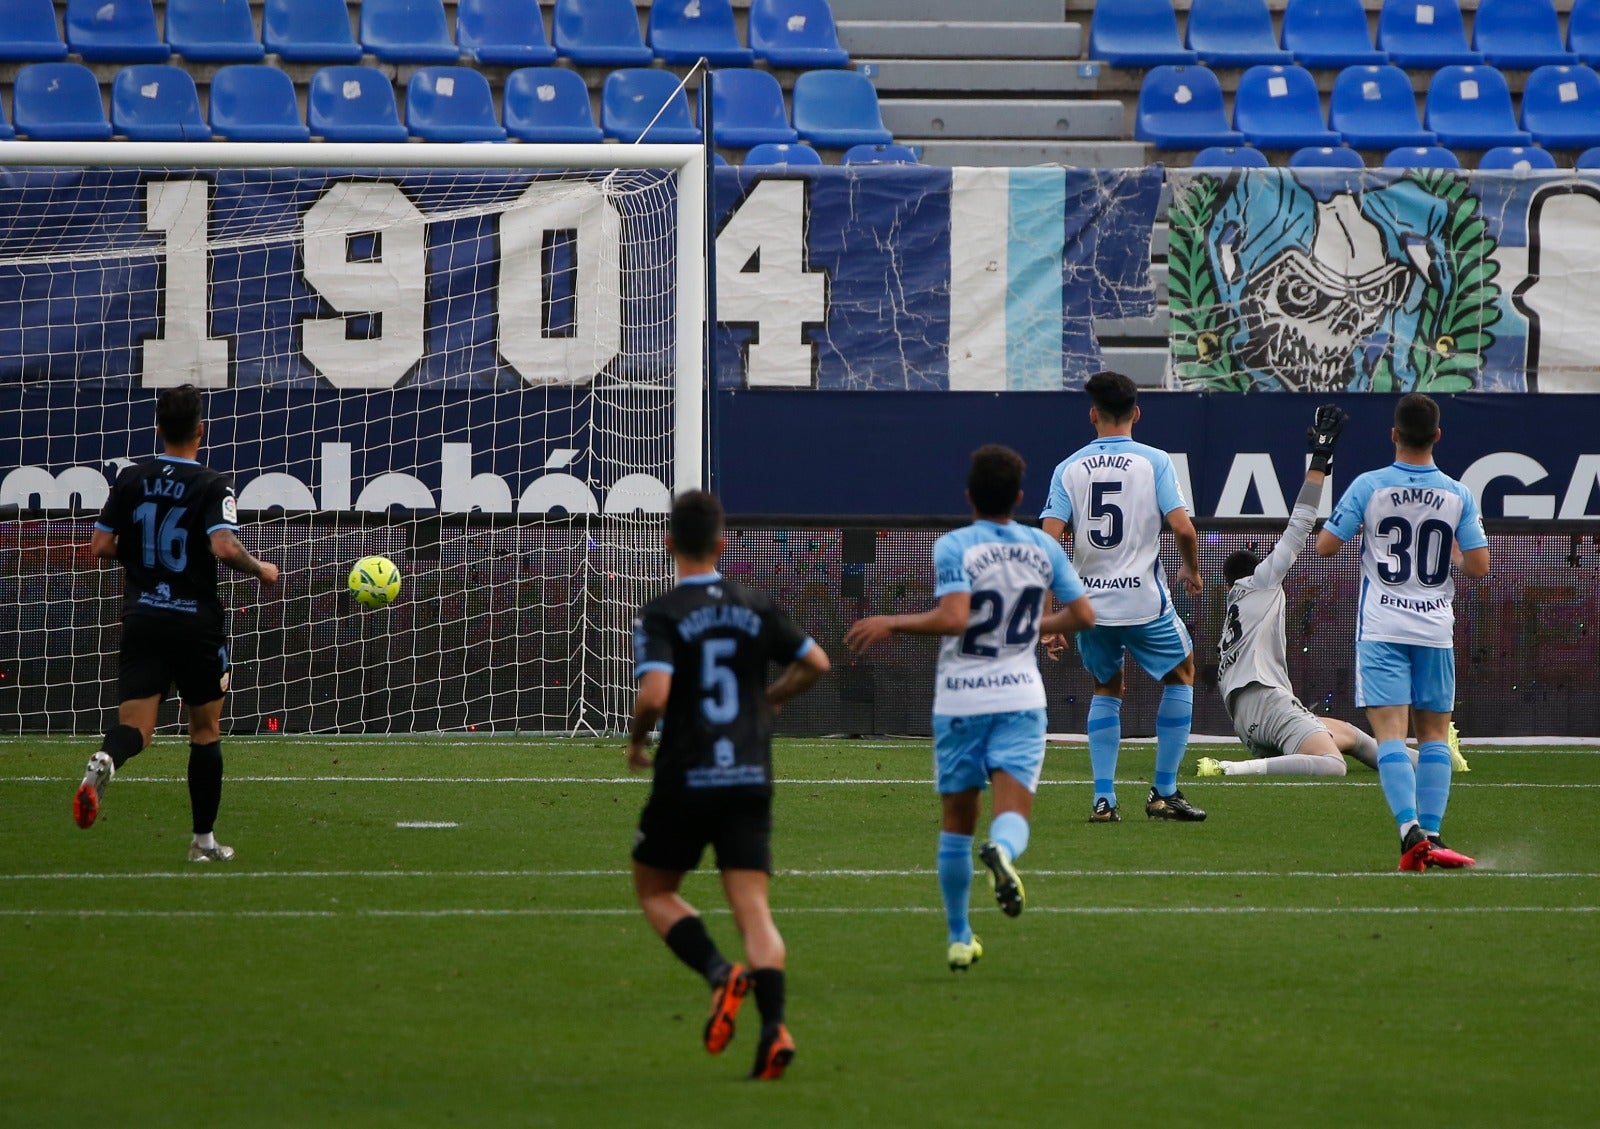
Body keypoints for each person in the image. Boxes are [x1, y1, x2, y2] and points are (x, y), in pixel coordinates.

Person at [845, 445, 1094, 971]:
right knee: (1012, 812)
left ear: (968, 495)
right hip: (1021, 699)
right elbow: (1085, 616)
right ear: (1021, 497)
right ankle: (1002, 855)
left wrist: (892, 621)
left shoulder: (955, 546)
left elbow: (956, 618)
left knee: (957, 821)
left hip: (962, 699)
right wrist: (1026, 630)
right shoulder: (1042, 548)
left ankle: (960, 936)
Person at [627, 490, 830, 1081]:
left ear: (669, 543)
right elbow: (816, 662)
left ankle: (721, 974)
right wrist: (771, 700)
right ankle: (775, 1029)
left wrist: (638, 740)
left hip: (687, 774)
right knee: (754, 911)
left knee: (655, 889)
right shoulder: (754, 603)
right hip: (748, 772)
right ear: (722, 543)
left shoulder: (662, 611)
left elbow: (655, 696)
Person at [73, 384, 280, 862]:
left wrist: (147, 558)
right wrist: (261, 569)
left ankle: (108, 759)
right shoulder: (211, 483)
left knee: (136, 728)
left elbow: (100, 549)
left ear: (159, 429)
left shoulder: (131, 479)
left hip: (144, 617)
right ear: (200, 431)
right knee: (205, 731)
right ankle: (203, 843)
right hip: (195, 623)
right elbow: (224, 547)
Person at [1315, 393, 1488, 871]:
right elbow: (1479, 565)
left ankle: (1410, 831)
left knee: (1391, 736)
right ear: (1437, 436)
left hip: (1383, 627)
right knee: (1434, 736)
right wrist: (1450, 556)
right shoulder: (1458, 493)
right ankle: (1431, 834)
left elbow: (1326, 546)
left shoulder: (1369, 486)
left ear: (1393, 434)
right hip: (1435, 627)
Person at [1040, 371, 1206, 823]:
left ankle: (1104, 799)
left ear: (1092, 415)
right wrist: (1191, 569)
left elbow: (1049, 541)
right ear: (1136, 413)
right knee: (1182, 674)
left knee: (1106, 688)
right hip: (1142, 602)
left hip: (1089, 606)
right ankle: (1164, 792)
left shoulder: (1068, 468)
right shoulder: (1154, 461)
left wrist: (1050, 613)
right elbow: (1184, 528)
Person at [1196, 404, 1385, 780]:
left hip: (1249, 719)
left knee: (1352, 736)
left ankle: (1435, 763)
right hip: (1268, 703)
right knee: (1333, 765)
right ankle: (1232, 769)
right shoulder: (1260, 583)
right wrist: (1320, 459)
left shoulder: (1234, 611)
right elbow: (1299, 525)